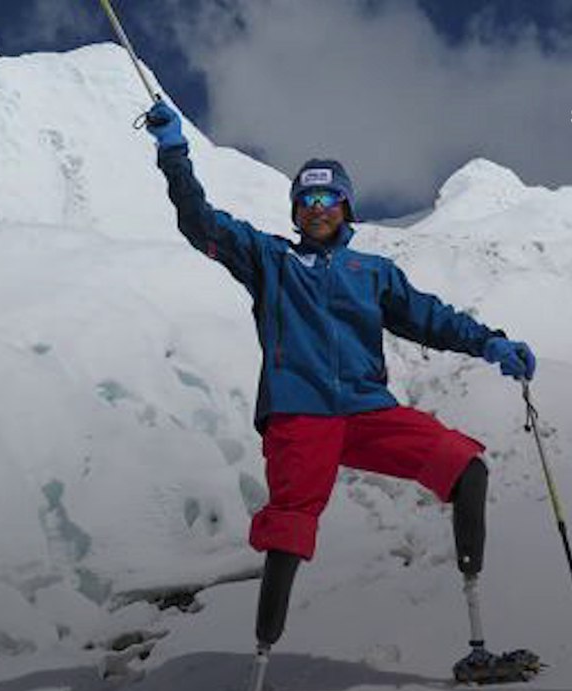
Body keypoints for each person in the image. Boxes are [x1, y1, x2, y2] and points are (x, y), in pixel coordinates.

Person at [143, 101, 534, 660]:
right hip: (300, 411)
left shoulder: (371, 273)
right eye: (306, 199)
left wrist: (489, 341)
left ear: (345, 206)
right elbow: (199, 221)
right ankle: (261, 659)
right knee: (289, 528)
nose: (317, 207)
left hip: (368, 411)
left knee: (466, 468)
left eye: (327, 198)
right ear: (296, 211)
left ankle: (477, 643)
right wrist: (172, 151)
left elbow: (430, 317)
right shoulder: (269, 259)